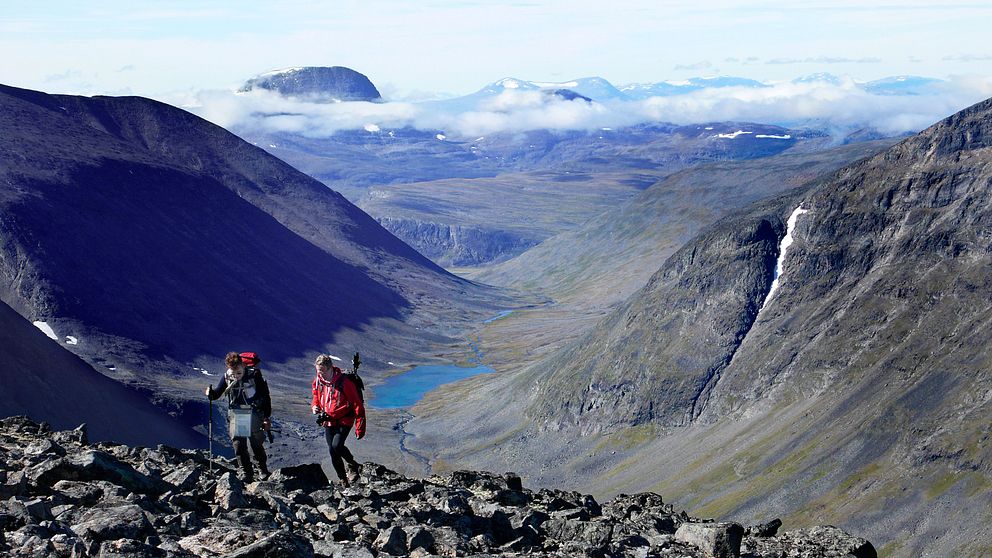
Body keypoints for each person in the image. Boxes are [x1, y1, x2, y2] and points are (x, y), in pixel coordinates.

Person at [206, 352, 271, 482]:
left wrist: (266, 417)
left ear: (243, 365)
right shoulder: (227, 376)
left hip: (254, 413)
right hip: (238, 413)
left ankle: (263, 470)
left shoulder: (254, 375)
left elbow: (264, 396)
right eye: (234, 372)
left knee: (255, 443)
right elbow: (218, 393)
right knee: (239, 444)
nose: (236, 376)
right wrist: (210, 394)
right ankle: (246, 472)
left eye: (239, 372)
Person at [311, 354, 365, 486]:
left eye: (323, 371)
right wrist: (315, 406)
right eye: (318, 371)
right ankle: (343, 480)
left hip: (344, 419)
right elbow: (316, 397)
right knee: (332, 451)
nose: (321, 374)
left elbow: (357, 404)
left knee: (336, 445)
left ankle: (352, 464)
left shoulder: (344, 382)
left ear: (330, 368)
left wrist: (360, 427)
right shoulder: (318, 382)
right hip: (328, 420)